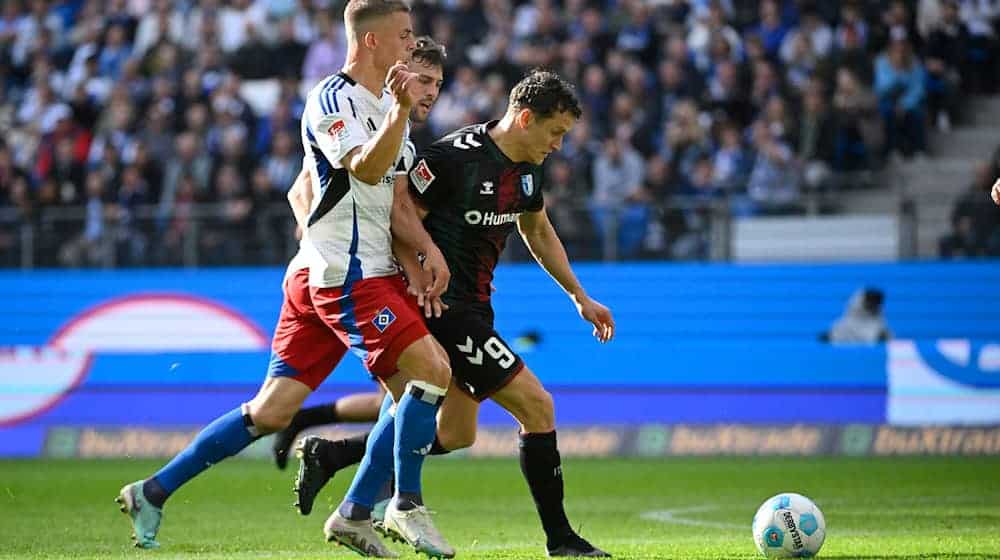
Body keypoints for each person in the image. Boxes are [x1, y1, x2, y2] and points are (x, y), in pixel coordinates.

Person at [116, 3, 456, 558]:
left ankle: (152, 490)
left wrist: (425, 250)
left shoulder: (387, 113)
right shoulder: (333, 98)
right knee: (428, 377)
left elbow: (374, 198)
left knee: (273, 410)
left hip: (317, 272)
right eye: (404, 35)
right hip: (346, 274)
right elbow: (362, 170)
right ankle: (387, 506)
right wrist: (396, 115)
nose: (411, 43)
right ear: (373, 41)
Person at [295, 70, 615, 557]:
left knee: (454, 434)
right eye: (556, 132)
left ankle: (334, 453)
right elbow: (401, 221)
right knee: (537, 406)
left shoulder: (526, 167)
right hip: (442, 309)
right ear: (526, 118)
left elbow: (539, 230)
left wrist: (578, 295)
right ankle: (561, 539)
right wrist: (415, 282)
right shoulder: (451, 159)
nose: (558, 145)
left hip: (476, 309)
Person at [272, 36, 447, 472]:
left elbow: (394, 208)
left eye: (437, 83)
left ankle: (348, 472)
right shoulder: (353, 109)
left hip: (378, 271)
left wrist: (420, 256)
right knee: (416, 392)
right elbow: (301, 190)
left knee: (407, 396)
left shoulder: (395, 125)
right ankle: (377, 499)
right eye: (422, 79)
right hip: (351, 272)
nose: (429, 91)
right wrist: (320, 239)